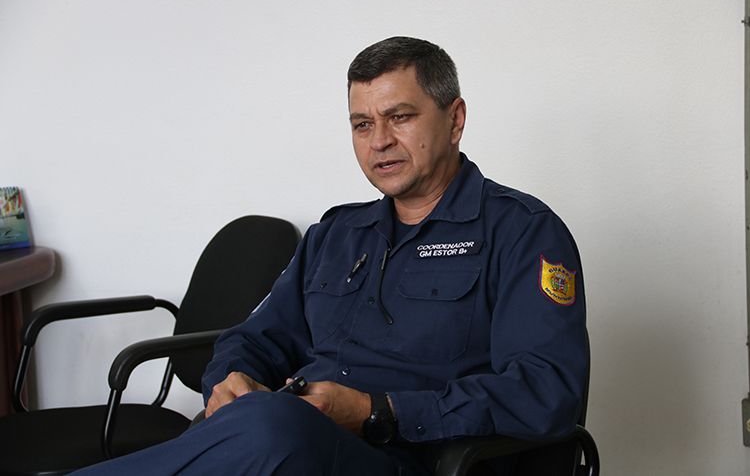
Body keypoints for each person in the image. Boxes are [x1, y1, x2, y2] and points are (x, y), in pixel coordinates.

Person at [72, 36, 588, 476]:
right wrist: (229, 379)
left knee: (272, 427)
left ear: (455, 120)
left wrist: (376, 411)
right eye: (362, 124)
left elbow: (547, 392)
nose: (379, 141)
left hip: (414, 458)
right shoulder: (337, 234)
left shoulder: (522, 231)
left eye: (399, 117)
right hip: (295, 443)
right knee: (259, 422)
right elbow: (255, 338)